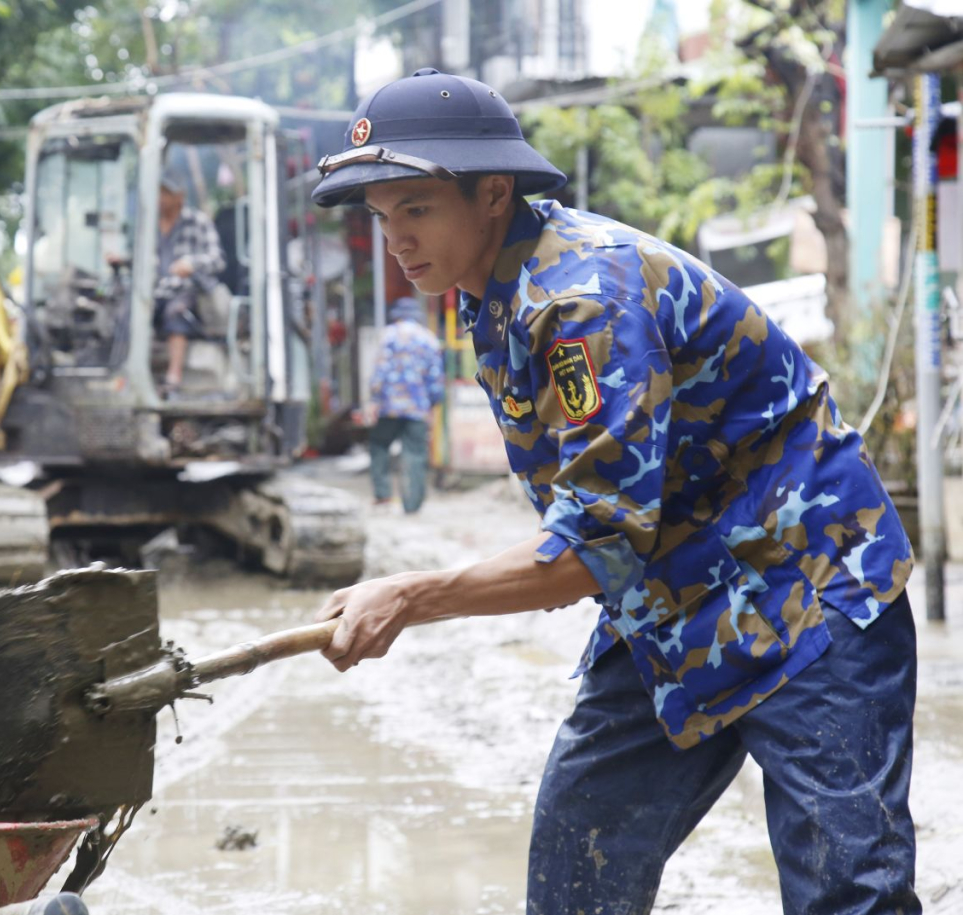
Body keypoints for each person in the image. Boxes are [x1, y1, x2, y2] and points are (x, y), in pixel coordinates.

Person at [310, 68, 920, 915]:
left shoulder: (583, 297)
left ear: (494, 193)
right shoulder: (491, 297)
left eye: (416, 208)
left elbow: (596, 544)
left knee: (847, 892)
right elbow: (598, 524)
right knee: (578, 865)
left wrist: (413, 595)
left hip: (809, 583)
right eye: (383, 217)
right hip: (672, 596)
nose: (396, 239)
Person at [366, 296, 444, 513]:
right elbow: (435, 377)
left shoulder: (388, 335)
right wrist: (432, 404)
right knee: (415, 454)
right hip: (418, 408)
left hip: (389, 407)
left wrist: (373, 399)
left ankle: (383, 495)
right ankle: (412, 504)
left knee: (379, 445)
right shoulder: (428, 339)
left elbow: (380, 371)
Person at [154, 165, 226, 394]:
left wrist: (191, 264)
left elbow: (218, 260)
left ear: (180, 196)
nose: (161, 198)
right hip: (155, 291)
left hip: (188, 290)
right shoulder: (149, 224)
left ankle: (173, 376)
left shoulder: (198, 221)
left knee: (176, 311)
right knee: (129, 310)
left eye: (166, 192)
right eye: (159, 191)